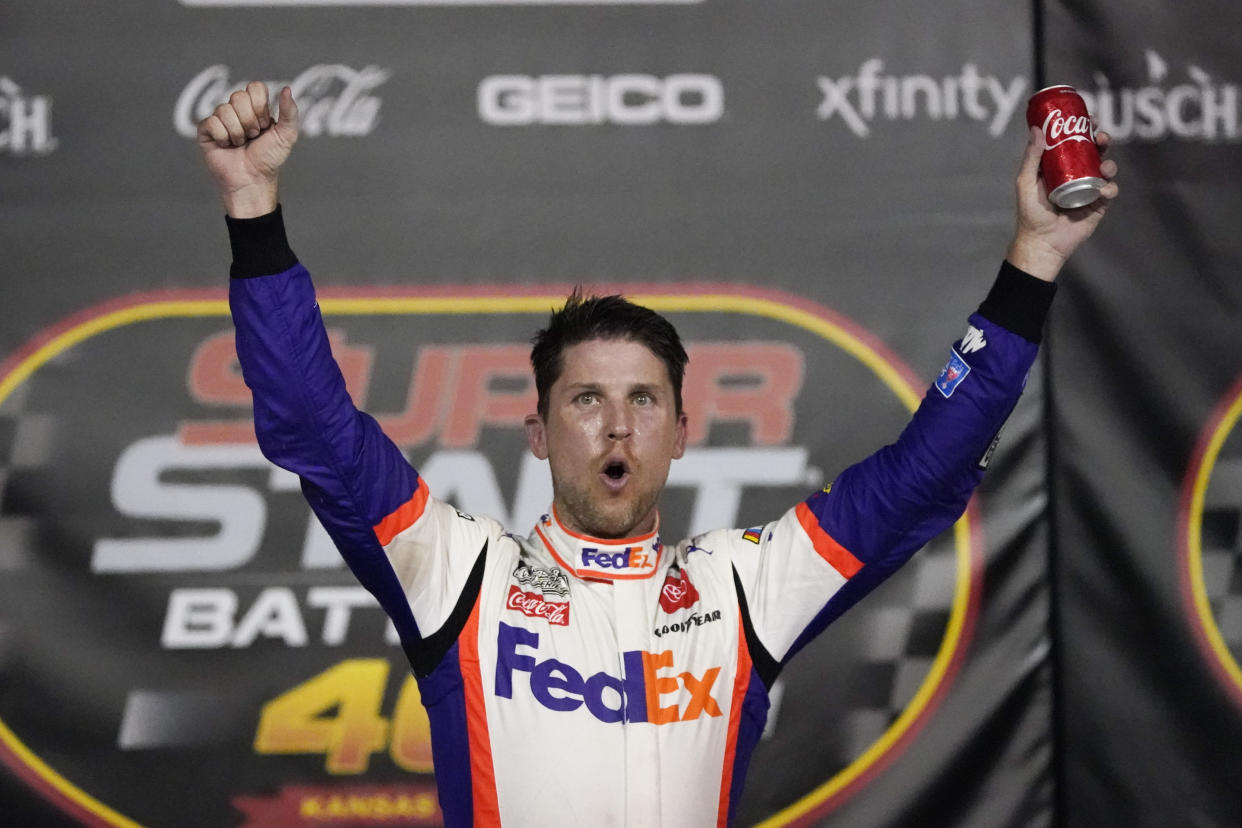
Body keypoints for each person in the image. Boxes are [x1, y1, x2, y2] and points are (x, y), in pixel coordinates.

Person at [198, 83, 1117, 827]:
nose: (616, 426)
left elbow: (926, 475)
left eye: (643, 400)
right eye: (585, 400)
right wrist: (253, 210)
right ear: (538, 431)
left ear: (681, 434)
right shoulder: (459, 572)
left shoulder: (741, 588)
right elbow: (313, 427)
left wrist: (1033, 258)